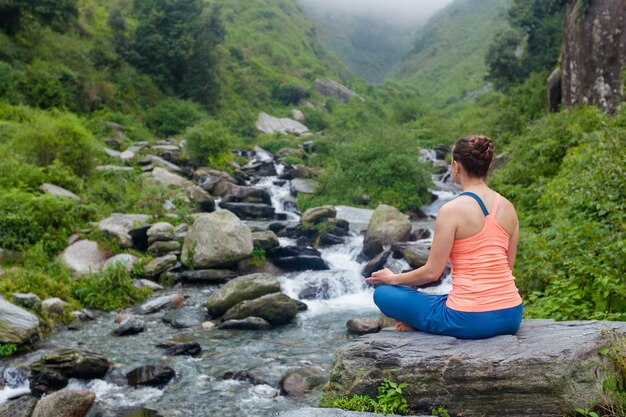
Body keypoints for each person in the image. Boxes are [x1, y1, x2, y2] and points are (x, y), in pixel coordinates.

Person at [365, 135, 523, 339]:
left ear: (456, 166)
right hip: (512, 314)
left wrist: (393, 278)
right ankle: (425, 319)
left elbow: (432, 273)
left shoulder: (451, 210)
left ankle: (421, 323)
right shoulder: (508, 207)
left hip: (471, 319)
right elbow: (508, 268)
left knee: (383, 294)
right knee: (446, 299)